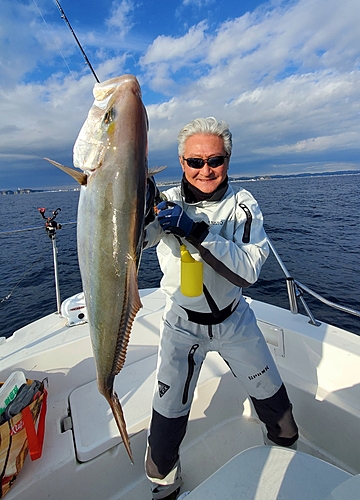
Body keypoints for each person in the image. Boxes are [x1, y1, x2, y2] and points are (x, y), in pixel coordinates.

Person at [144, 117, 298, 500]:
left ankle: (285, 475)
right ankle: (164, 487)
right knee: (164, 430)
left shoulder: (243, 206)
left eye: (215, 160)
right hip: (181, 326)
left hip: (235, 322)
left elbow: (247, 272)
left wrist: (196, 230)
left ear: (227, 160)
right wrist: (139, 206)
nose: (206, 170)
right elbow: (136, 243)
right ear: (182, 162)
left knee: (283, 420)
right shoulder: (166, 203)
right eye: (195, 162)